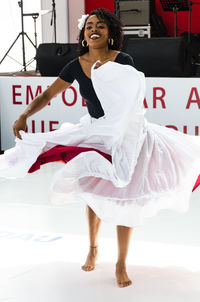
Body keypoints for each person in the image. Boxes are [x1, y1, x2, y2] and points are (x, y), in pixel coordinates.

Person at [1, 8, 200, 288]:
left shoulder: (123, 60)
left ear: (110, 34)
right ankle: (93, 247)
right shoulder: (75, 64)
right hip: (95, 131)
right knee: (92, 188)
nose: (94, 30)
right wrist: (24, 115)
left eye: (101, 26)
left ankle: (121, 263)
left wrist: (124, 131)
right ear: (83, 34)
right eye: (89, 26)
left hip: (126, 133)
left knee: (124, 195)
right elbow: (48, 94)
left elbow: (133, 99)